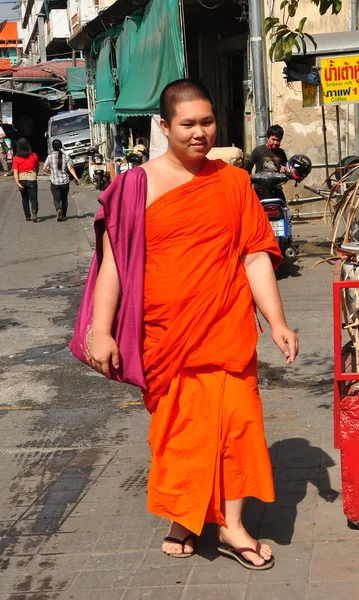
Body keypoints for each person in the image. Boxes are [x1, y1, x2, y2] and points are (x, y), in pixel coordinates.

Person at [86, 79, 299, 570]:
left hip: (225, 328)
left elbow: (254, 257)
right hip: (166, 335)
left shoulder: (233, 182)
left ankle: (232, 525)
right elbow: (114, 265)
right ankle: (185, 514)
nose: (200, 133)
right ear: (164, 126)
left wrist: (278, 320)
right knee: (181, 431)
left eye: (207, 122)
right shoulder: (135, 186)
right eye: (188, 124)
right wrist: (102, 331)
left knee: (236, 427)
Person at [43, 139, 80, 221]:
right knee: (64, 199)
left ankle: (58, 209)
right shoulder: (66, 157)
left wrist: (51, 172)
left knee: (56, 199)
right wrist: (76, 178)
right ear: (61, 146)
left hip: (55, 182)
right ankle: (64, 215)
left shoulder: (50, 157)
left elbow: (44, 168)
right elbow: (71, 168)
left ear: (52, 147)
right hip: (65, 182)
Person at [12, 137, 40, 222]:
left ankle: (27, 216)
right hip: (32, 179)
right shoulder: (34, 155)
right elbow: (37, 167)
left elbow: (15, 171)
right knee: (33, 198)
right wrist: (35, 175)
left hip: (22, 179)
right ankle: (34, 212)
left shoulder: (16, 158)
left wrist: (17, 182)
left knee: (24, 198)